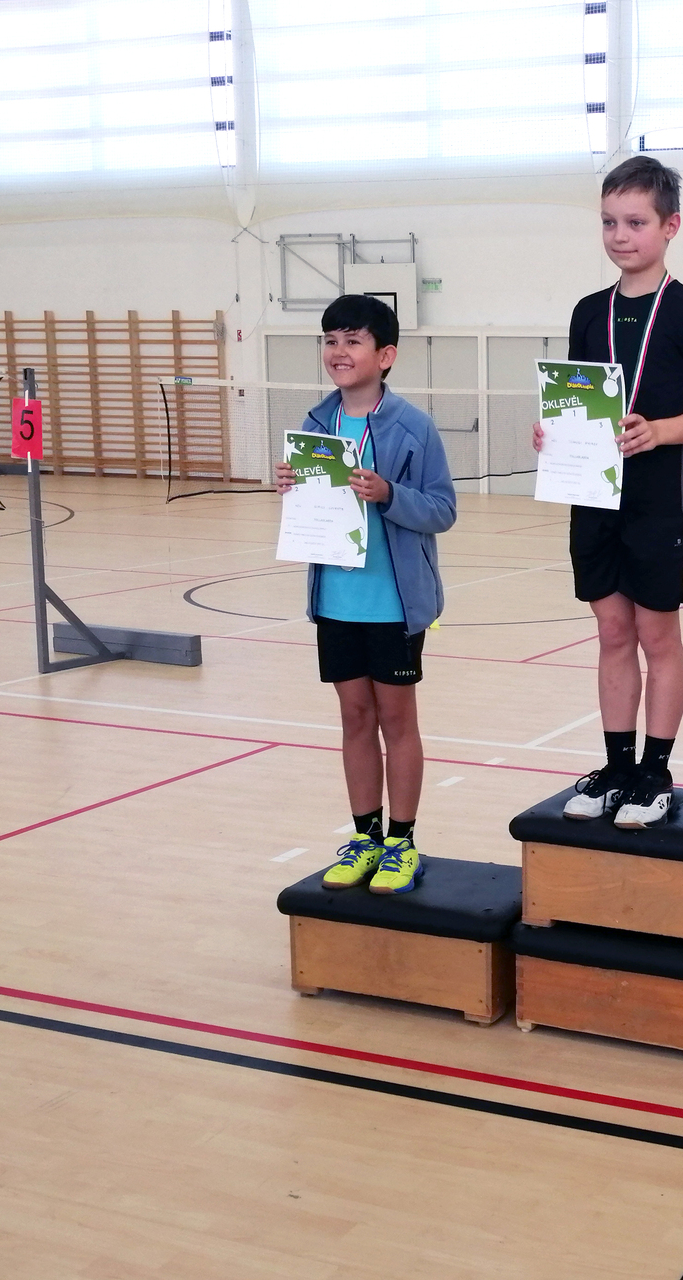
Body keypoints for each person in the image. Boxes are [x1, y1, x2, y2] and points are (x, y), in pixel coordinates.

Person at [533, 155, 683, 828]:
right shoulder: (588, 312)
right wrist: (553, 431)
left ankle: (655, 771)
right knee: (611, 630)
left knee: (656, 634)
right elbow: (579, 399)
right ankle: (617, 766)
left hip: (655, 503)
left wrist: (660, 431)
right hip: (593, 497)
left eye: (636, 222)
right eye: (609, 222)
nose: (620, 235)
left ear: (670, 226)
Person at [274, 294, 457, 894]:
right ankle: (366, 838)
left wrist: (388, 494)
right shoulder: (315, 425)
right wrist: (291, 488)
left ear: (386, 355)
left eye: (353, 340)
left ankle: (402, 842)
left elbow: (442, 509)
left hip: (394, 604)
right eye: (331, 340)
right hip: (336, 602)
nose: (339, 351)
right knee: (354, 718)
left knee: (396, 720)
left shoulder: (413, 426)